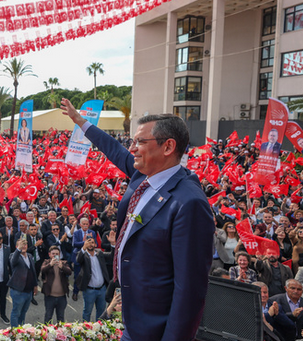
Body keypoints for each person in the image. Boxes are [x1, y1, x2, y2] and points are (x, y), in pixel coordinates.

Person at [61, 98, 214, 341]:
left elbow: (190, 291)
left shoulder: (189, 203)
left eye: (140, 142)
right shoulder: (142, 176)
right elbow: (113, 148)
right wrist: (80, 122)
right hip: (131, 318)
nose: (132, 148)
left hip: (154, 329)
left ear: (168, 147)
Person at [75, 235, 113, 322]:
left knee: (101, 312)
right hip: (89, 290)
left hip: (102, 289)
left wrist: (113, 244)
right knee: (87, 312)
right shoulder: (83, 255)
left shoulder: (99, 253)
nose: (90, 244)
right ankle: (86, 330)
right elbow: (78, 260)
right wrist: (83, 248)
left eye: (92, 242)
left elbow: (111, 256)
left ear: (95, 244)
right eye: (88, 242)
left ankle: (99, 329)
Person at [8, 237, 38, 327]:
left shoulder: (29, 256)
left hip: (29, 291)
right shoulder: (13, 255)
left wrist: (35, 285)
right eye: (21, 245)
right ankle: (15, 331)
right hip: (18, 291)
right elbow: (13, 262)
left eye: (25, 244)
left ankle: (21, 328)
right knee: (16, 312)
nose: (23, 246)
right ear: (17, 246)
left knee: (23, 312)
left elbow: (33, 271)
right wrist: (18, 249)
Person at [41, 245, 72, 323]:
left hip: (61, 297)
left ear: (59, 254)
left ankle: (60, 334)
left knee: (61, 318)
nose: (55, 255)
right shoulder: (46, 262)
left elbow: (69, 272)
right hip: (50, 296)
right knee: (48, 317)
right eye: (53, 254)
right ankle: (47, 334)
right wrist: (50, 265)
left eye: (57, 254)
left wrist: (62, 267)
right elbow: (42, 270)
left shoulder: (63, 263)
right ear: (49, 254)